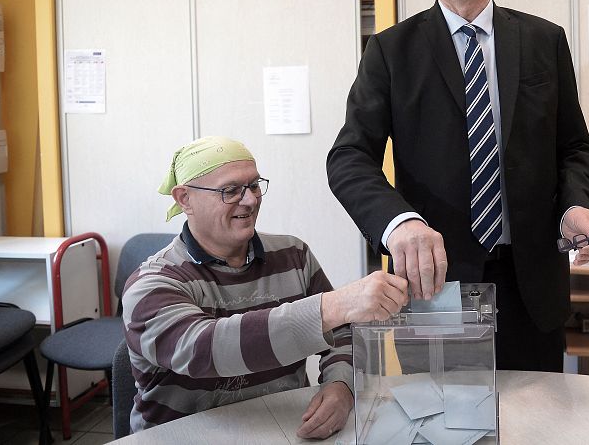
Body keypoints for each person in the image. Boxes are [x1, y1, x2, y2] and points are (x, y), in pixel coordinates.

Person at [327, 0, 589, 372]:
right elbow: (349, 156)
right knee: (443, 424)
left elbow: (573, 147)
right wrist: (400, 224)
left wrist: (576, 204)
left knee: (537, 421)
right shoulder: (391, 50)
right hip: (435, 282)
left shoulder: (545, 40)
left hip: (532, 282)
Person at [122, 136, 408, 437]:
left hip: (286, 429)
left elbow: (342, 334)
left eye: (254, 185)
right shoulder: (151, 284)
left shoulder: (294, 256)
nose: (250, 200)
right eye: (230, 191)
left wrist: (341, 386)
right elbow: (205, 349)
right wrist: (333, 306)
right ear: (184, 199)